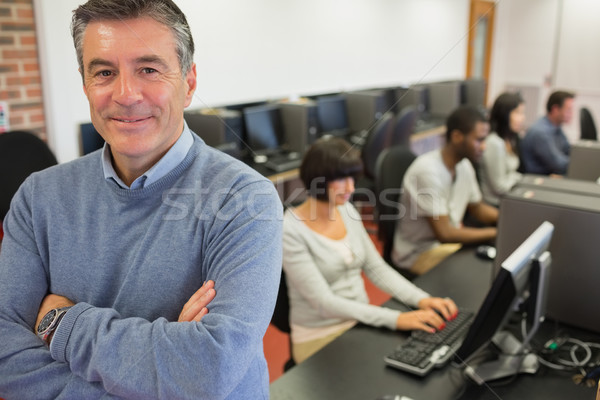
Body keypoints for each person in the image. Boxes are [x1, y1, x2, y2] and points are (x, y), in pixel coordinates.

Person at [0, 1, 282, 399]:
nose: (126, 94)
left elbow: (210, 368)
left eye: (148, 69)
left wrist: (61, 323)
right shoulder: (38, 196)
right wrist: (168, 366)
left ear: (189, 82)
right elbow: (4, 350)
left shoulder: (244, 198)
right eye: (104, 72)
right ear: (85, 85)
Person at [282, 137, 458, 364]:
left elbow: (376, 268)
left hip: (361, 320)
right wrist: (396, 319)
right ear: (318, 180)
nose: (351, 188)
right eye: (342, 179)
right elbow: (323, 303)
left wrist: (421, 300)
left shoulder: (346, 210)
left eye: (353, 178)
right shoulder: (290, 229)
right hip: (319, 335)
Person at [392, 105, 498, 275]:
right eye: (479, 140)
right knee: (481, 274)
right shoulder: (427, 171)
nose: (484, 146)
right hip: (419, 254)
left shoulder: (464, 165)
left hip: (446, 247)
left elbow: (477, 208)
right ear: (456, 136)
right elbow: (445, 234)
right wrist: (495, 232)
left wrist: (508, 220)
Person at [479, 92, 525, 206]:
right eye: (517, 113)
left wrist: (515, 177)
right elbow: (500, 187)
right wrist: (518, 177)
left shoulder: (510, 139)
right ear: (504, 115)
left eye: (522, 113)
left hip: (508, 197)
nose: (522, 118)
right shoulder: (495, 143)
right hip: (495, 204)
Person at [520, 90, 575, 175]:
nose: (571, 114)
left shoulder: (556, 127)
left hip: (550, 175)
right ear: (555, 109)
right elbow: (558, 164)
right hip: (538, 178)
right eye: (568, 110)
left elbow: (568, 150)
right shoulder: (540, 132)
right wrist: (582, 163)